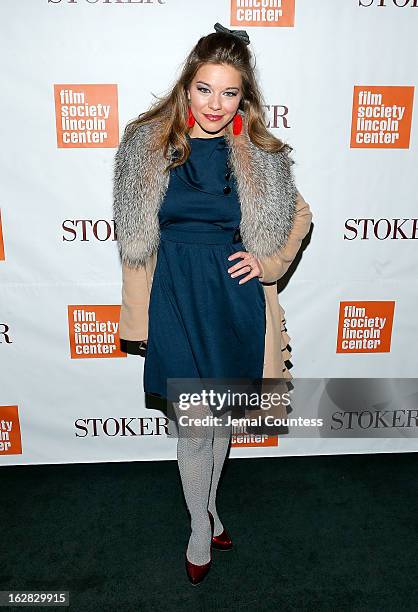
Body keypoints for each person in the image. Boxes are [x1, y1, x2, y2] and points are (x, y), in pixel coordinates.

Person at [113, 22, 313, 585]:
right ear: (186, 87)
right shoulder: (147, 147)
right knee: (196, 427)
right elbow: (135, 247)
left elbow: (300, 216)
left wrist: (266, 263)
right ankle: (200, 528)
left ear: (243, 98)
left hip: (232, 299)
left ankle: (210, 509)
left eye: (230, 93)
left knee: (218, 417)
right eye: (205, 89)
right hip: (174, 298)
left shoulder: (260, 154)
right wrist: (139, 316)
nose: (215, 104)